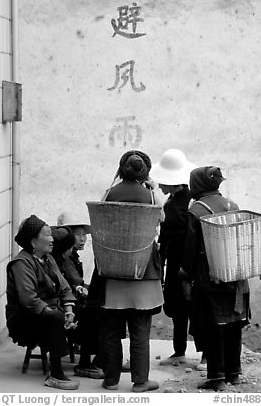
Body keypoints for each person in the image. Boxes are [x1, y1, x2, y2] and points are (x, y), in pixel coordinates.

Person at [95, 150, 164, 392]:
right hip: (143, 272)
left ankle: (111, 380)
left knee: (112, 331)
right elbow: (161, 219)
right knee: (140, 331)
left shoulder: (110, 193)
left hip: (114, 272)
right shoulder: (149, 196)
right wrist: (153, 187)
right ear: (145, 171)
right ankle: (140, 382)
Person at [180, 166, 251, 391]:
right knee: (233, 325)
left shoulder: (197, 211)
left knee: (214, 327)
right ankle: (234, 374)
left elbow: (191, 250)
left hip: (210, 278)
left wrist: (185, 276)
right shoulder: (233, 205)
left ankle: (217, 378)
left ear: (197, 185)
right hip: (237, 277)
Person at [5, 215, 79, 390]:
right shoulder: (21, 263)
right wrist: (60, 316)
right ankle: (55, 375)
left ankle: (86, 364)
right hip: (25, 319)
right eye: (47, 235)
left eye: (51, 235)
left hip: (50, 311)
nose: (52, 239)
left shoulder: (47, 258)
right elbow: (29, 300)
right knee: (54, 318)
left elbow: (65, 287)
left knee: (87, 310)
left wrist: (69, 311)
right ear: (33, 241)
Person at [149, 148, 206, 369]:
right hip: (180, 263)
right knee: (181, 309)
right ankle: (180, 351)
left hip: (184, 264)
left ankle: (203, 354)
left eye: (163, 182)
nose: (160, 185)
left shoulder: (182, 205)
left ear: (173, 183)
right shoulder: (179, 201)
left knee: (191, 309)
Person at [55, 212, 104, 380]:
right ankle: (88, 361)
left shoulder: (70, 255)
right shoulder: (65, 258)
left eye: (84, 235)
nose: (82, 239)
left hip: (68, 300)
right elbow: (76, 284)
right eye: (78, 235)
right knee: (93, 313)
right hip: (64, 305)